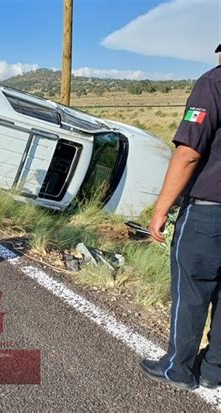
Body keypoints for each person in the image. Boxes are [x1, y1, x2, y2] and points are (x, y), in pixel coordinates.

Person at [141, 45, 221, 390]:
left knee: (191, 291)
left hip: (208, 211)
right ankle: (215, 369)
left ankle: (178, 368)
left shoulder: (213, 83)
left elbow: (188, 153)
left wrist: (161, 209)